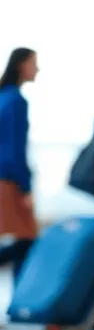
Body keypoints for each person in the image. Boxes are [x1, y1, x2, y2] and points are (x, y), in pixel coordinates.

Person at [0, 48, 39, 293]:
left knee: (23, 240)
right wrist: (25, 188)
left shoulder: (4, 96)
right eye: (34, 63)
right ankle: (20, 306)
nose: (37, 69)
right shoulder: (16, 101)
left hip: (3, 177)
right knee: (26, 241)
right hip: (10, 180)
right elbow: (15, 149)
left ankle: (19, 303)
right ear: (21, 65)